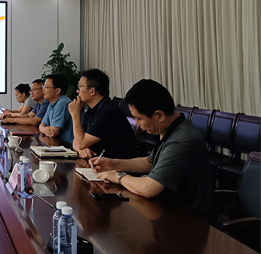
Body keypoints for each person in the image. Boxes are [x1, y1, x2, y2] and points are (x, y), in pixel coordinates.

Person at [90, 79, 213, 219]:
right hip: (166, 208)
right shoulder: (173, 129)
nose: (137, 124)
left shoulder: (181, 140)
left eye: (139, 118)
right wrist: (112, 164)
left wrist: (118, 176)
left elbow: (149, 188)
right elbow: (150, 162)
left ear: (159, 115)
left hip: (187, 220)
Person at [68, 68, 136, 159]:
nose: (77, 91)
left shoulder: (108, 112)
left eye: (80, 88)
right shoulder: (91, 111)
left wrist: (75, 115)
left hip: (116, 164)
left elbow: (80, 143)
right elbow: (76, 140)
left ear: (92, 91)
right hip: (98, 161)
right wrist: (81, 150)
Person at [39, 74, 74, 145]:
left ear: (57, 91)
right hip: (58, 143)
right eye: (43, 87)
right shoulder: (52, 103)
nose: (43, 90)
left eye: (46, 87)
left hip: (68, 145)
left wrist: (45, 129)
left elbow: (54, 132)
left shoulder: (63, 103)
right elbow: (41, 125)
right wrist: (44, 129)